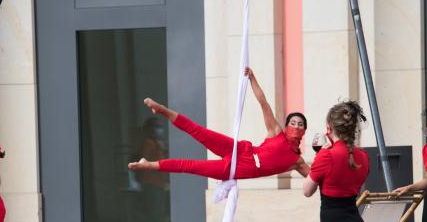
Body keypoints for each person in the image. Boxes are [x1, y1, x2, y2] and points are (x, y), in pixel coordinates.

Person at [128, 67, 310, 180]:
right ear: (286, 126)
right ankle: (162, 110)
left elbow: (315, 179)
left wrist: (324, 150)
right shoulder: (276, 132)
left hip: (235, 169)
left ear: (304, 131)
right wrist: (252, 78)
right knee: (198, 131)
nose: (296, 126)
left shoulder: (297, 161)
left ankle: (149, 165)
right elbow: (263, 102)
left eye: (300, 124)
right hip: (239, 150)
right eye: (293, 122)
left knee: (190, 166)